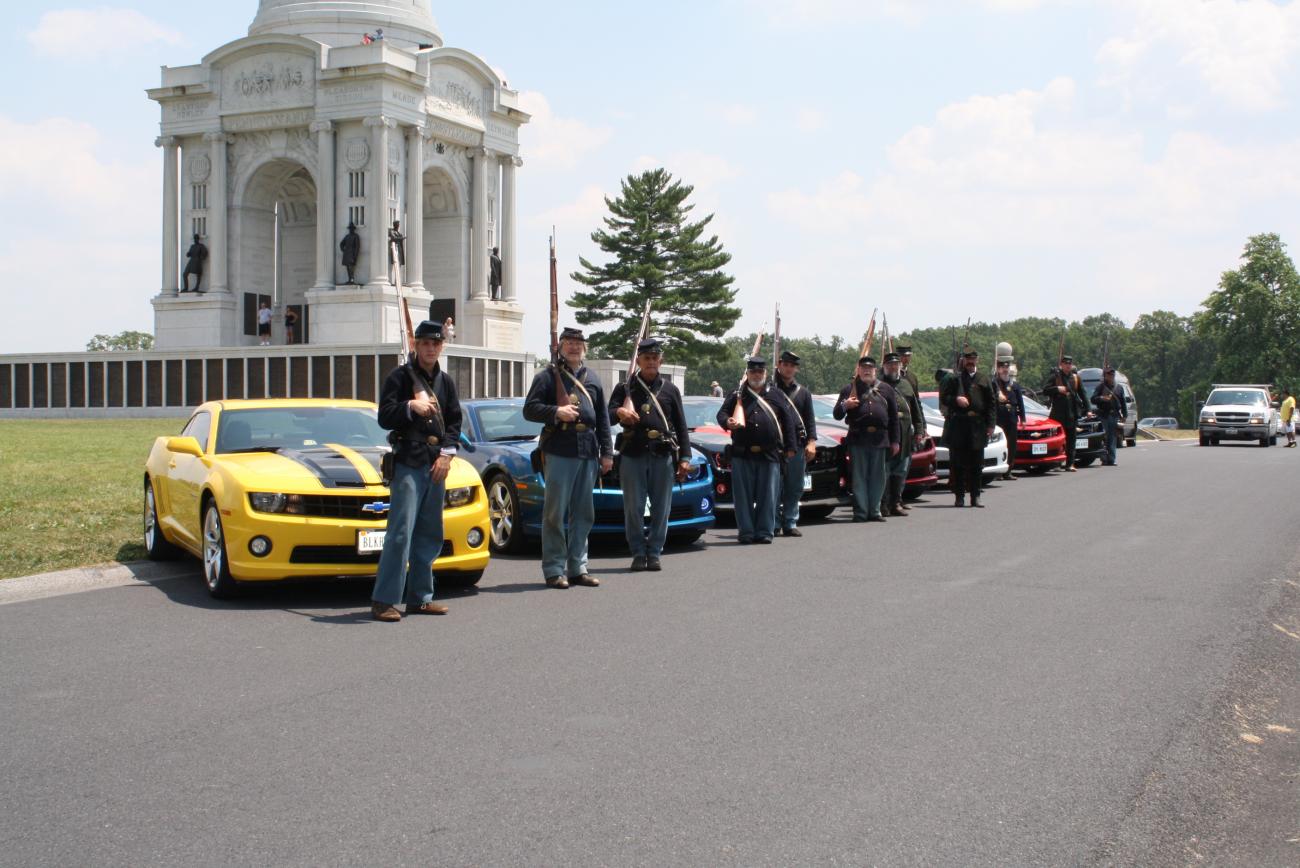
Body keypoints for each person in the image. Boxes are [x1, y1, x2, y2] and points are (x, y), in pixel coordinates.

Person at [370, 319, 462, 622]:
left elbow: (454, 422)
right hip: (409, 459)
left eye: (436, 343)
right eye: (425, 343)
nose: (431, 348)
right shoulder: (399, 377)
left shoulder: (445, 381)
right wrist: (410, 406)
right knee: (400, 533)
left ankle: (421, 597)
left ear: (441, 346)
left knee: (430, 533)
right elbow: (384, 416)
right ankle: (385, 599)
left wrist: (447, 455)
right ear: (415, 345)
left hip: (436, 462)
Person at [524, 327, 613, 588]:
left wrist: (607, 452)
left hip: (587, 450)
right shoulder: (548, 377)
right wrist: (556, 412)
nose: (574, 347)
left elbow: (603, 420)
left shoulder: (593, 378)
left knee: (584, 513)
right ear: (560, 346)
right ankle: (553, 569)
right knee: (554, 513)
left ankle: (578, 567)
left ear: (584, 348)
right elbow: (530, 409)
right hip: (560, 448)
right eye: (569, 342)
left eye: (578, 343)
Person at [608, 337, 692, 571]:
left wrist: (685, 457)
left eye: (655, 358)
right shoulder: (625, 387)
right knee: (633, 507)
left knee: (661, 507)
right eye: (647, 358)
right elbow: (608, 415)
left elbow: (681, 426)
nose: (651, 362)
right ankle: (637, 552)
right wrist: (620, 412)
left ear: (660, 360)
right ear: (639, 360)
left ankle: (654, 552)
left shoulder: (670, 390)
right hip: (632, 453)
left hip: (661, 454)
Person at [717, 356, 797, 544]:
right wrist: (727, 422)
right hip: (742, 452)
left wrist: (791, 447)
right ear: (747, 373)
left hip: (769, 453)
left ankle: (765, 532)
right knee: (742, 496)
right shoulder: (737, 393)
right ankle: (746, 531)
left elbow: (788, 421)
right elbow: (721, 413)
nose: (756, 375)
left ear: (765, 373)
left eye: (760, 371)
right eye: (753, 371)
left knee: (768, 496)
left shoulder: (776, 394)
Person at [835, 355, 899, 522]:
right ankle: (861, 512)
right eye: (863, 369)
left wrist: (895, 441)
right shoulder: (849, 389)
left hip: (880, 439)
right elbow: (837, 414)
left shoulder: (886, 389)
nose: (867, 371)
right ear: (858, 370)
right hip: (858, 438)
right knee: (859, 477)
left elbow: (894, 418)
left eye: (870, 369)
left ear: (875, 370)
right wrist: (845, 405)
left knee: (878, 478)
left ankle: (875, 510)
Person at [939, 349, 995, 507]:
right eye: (968, 359)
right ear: (963, 360)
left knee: (977, 464)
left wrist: (991, 424)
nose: (970, 362)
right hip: (960, 425)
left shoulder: (983, 378)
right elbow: (945, 398)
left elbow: (991, 403)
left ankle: (976, 496)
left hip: (978, 426)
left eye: (973, 359)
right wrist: (956, 399)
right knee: (958, 464)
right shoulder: (955, 378)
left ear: (978, 360)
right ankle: (959, 496)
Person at [772, 350, 818, 536]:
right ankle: (773, 522)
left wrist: (811, 442)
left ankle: (790, 522)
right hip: (775, 445)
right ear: (779, 365)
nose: (789, 368)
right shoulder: (769, 389)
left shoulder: (803, 393)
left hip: (797, 444)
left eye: (792, 366)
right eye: (786, 364)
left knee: (795, 485)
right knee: (774, 486)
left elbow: (810, 420)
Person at [880, 351, 922, 516]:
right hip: (887, 434)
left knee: (901, 470)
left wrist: (919, 430)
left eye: (895, 364)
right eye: (890, 364)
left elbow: (916, 410)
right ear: (884, 367)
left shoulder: (906, 385)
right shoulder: (879, 385)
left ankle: (896, 502)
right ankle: (883, 504)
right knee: (885, 471)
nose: (893, 367)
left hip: (905, 435)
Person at [1042, 354, 1089, 471]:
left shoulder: (1076, 378)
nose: (1068, 366)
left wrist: (1088, 410)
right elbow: (1045, 390)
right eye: (1065, 363)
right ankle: (1057, 463)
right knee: (1057, 440)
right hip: (1058, 414)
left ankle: (1070, 463)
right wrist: (1057, 389)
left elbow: (1083, 394)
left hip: (1071, 414)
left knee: (1072, 440)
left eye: (1069, 364)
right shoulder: (1055, 377)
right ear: (1061, 365)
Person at [992, 357, 1025, 480]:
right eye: (1002, 368)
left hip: (1011, 418)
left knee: (1012, 445)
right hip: (999, 419)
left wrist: (1023, 418)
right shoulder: (994, 383)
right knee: (1000, 445)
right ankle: (999, 472)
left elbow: (1020, 403)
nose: (1005, 370)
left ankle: (1009, 470)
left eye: (1006, 367)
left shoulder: (1014, 385)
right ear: (998, 369)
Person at [1091, 366, 1128, 466]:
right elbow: (1093, 399)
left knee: (1112, 438)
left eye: (1112, 375)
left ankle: (1111, 459)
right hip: (1103, 414)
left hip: (1113, 415)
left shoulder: (1119, 388)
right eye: (1108, 375)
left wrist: (1125, 415)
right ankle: (1104, 458)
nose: (1110, 376)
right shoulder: (1100, 387)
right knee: (1104, 437)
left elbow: (1123, 402)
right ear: (1105, 376)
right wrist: (1102, 398)